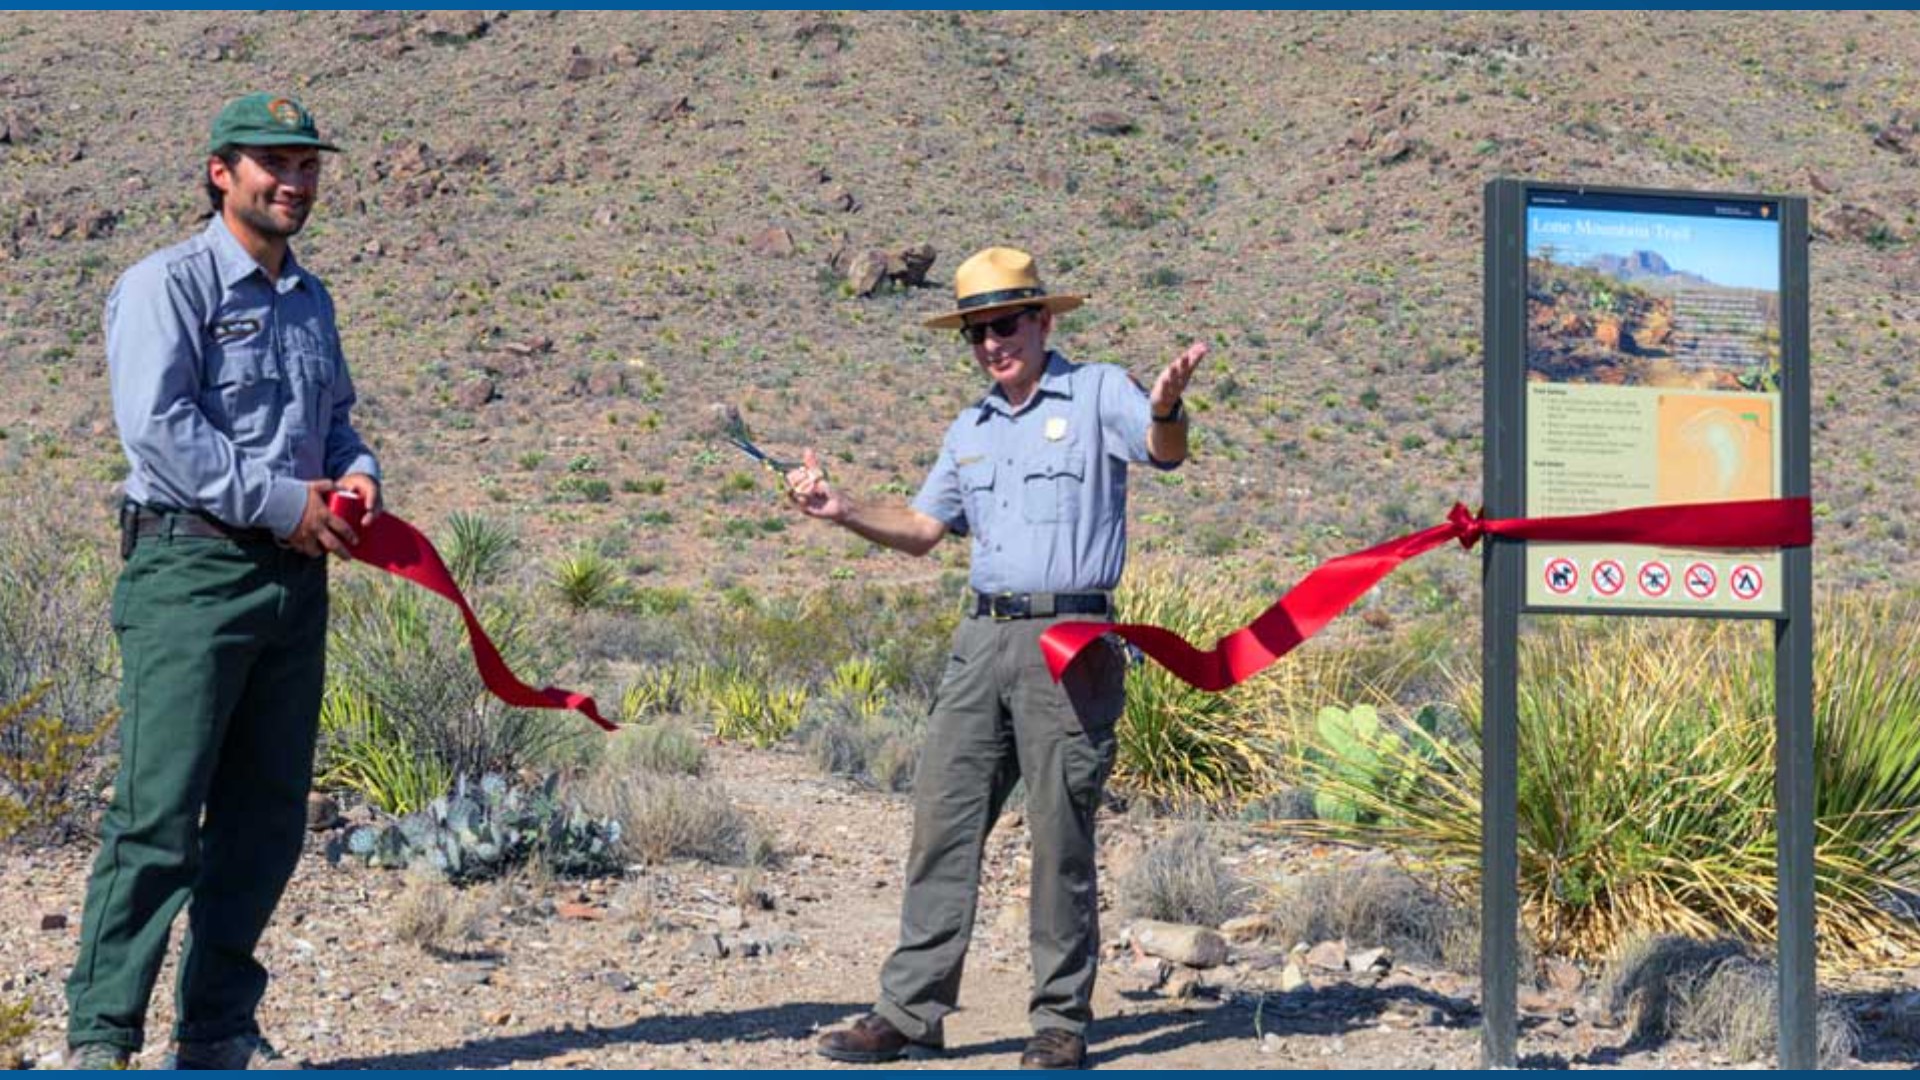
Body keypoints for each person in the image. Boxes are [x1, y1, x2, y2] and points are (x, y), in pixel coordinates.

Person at [791, 246, 1205, 1070]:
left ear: (1044, 320)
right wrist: (842, 511)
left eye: (1005, 324)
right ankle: (910, 1012)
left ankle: (1059, 1020)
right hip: (980, 642)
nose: (991, 343)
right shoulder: (969, 428)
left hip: (1070, 640)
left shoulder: (1096, 392)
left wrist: (1166, 409)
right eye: (976, 332)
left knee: (1060, 836)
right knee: (942, 825)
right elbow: (920, 531)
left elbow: (1164, 452)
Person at [63, 91, 381, 1071]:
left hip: (292, 584)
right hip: (190, 572)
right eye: (271, 163)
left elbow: (334, 423)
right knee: (158, 817)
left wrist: (360, 473)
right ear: (221, 172)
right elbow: (161, 431)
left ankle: (215, 1030)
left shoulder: (308, 299)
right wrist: (288, 503)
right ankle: (101, 1037)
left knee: (265, 816)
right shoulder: (169, 286)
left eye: (307, 165)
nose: (293, 181)